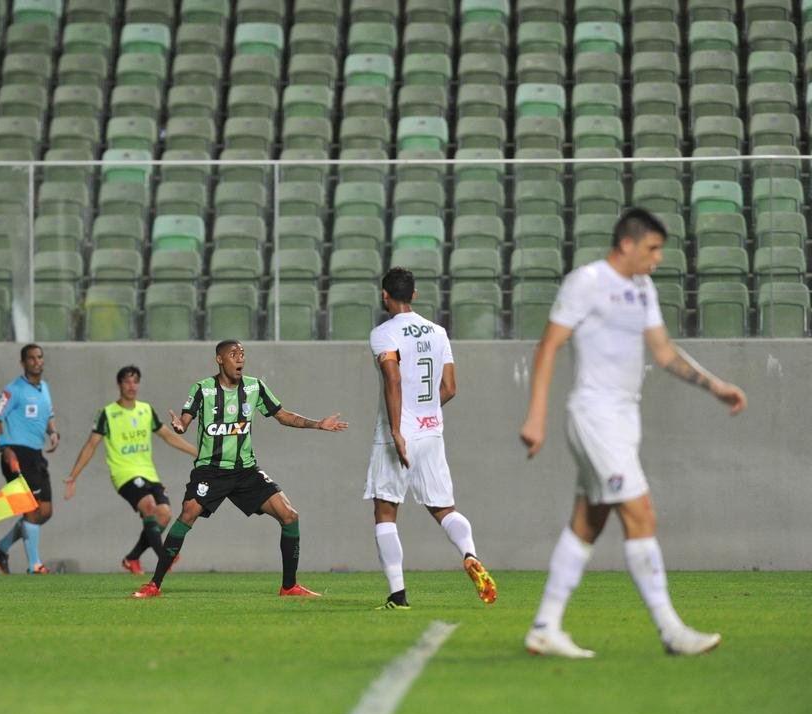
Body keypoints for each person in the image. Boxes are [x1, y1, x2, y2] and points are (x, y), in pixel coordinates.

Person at [519, 208, 747, 658]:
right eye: (652, 248)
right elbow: (549, 345)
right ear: (627, 244)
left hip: (625, 419)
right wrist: (536, 415)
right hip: (593, 415)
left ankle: (545, 626)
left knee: (588, 521)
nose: (658, 258)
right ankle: (671, 631)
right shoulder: (586, 282)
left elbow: (662, 352)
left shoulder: (642, 288)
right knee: (641, 514)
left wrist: (715, 385)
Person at [131, 340, 349, 599]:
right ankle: (154, 585)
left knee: (289, 515)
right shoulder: (203, 389)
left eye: (242, 354)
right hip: (211, 470)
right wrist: (180, 425)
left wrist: (318, 424)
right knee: (187, 513)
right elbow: (185, 420)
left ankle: (289, 586)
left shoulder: (255, 387)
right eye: (233, 354)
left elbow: (282, 415)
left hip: (245, 471)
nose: (240, 359)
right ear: (219, 359)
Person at [364, 268, 498, 610]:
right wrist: (425, 414)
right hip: (431, 430)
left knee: (385, 512)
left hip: (400, 434)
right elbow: (450, 388)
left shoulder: (383, 334)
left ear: (384, 295)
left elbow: (392, 380)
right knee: (444, 508)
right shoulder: (438, 332)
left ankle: (398, 595)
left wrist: (397, 430)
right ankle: (469, 553)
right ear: (415, 293)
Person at [62, 365, 198, 574]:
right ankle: (165, 556)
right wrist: (73, 476)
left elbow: (168, 436)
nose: (131, 385)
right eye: (126, 381)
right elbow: (91, 445)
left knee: (164, 515)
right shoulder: (108, 414)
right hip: (123, 474)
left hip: (148, 473)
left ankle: (132, 558)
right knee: (150, 507)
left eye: (135, 381)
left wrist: (196, 452)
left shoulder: (146, 410)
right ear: (119, 385)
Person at [0, 344, 59, 575]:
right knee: (31, 509)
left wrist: (53, 432)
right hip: (17, 453)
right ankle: (34, 565)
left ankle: (1, 547)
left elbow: (48, 415)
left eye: (39, 357)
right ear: (23, 362)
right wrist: (3, 447)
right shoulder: (13, 390)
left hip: (36, 454)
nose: (37, 361)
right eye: (31, 358)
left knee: (45, 511)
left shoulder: (44, 388)